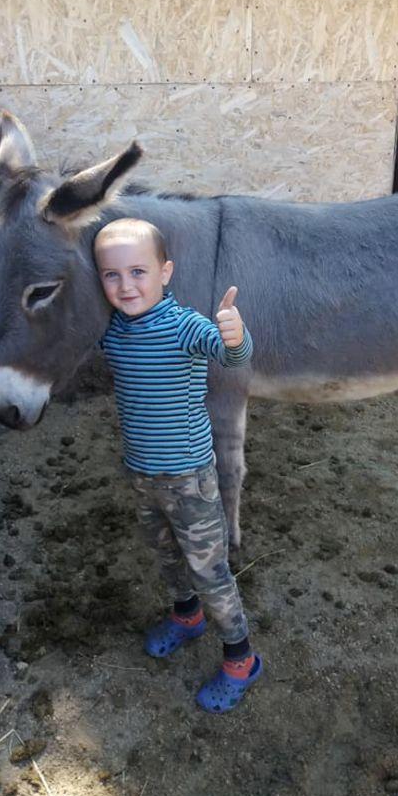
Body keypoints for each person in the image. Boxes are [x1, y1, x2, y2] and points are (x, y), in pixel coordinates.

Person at [94, 217, 262, 713]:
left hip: (190, 479)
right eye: (112, 276)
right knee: (165, 556)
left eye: (139, 272)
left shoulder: (185, 325)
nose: (126, 286)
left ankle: (241, 657)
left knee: (210, 571)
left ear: (165, 272)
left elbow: (233, 360)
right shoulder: (114, 331)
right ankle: (186, 617)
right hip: (141, 474)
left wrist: (234, 336)